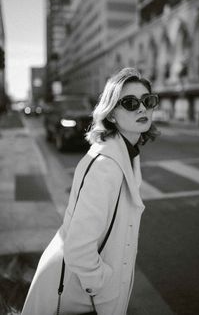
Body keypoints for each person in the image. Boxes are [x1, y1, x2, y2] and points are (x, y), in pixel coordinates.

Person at [21, 67, 158, 315]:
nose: (142, 108)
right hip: (75, 298)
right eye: (129, 102)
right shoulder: (105, 167)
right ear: (112, 114)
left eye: (148, 101)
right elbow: (79, 249)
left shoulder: (126, 153)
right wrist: (104, 286)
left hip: (85, 294)